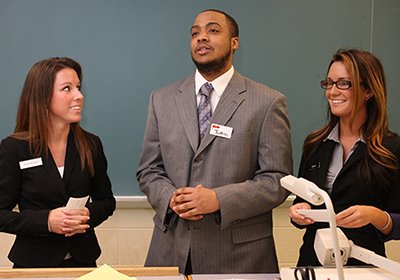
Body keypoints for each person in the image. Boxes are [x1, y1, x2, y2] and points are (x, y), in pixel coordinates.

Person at [136, 9, 292, 274]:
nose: (202, 38)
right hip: (171, 250)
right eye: (195, 33)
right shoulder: (161, 99)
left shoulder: (267, 102)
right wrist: (171, 198)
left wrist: (219, 199)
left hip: (241, 257)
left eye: (213, 30)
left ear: (235, 42)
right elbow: (149, 170)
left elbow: (276, 180)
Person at [0, 57, 116, 268]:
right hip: (33, 267)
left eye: (78, 88)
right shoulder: (14, 148)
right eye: (67, 89)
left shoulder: (91, 144)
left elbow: (107, 202)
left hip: (82, 263)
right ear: (42, 97)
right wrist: (46, 222)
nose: (79, 96)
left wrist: (88, 214)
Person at [289, 49, 400, 266]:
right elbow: (302, 203)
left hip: (365, 267)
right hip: (313, 265)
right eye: (329, 83)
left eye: (343, 83)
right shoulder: (315, 145)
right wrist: (299, 213)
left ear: (368, 90)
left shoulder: (391, 149)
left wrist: (375, 216)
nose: (332, 91)